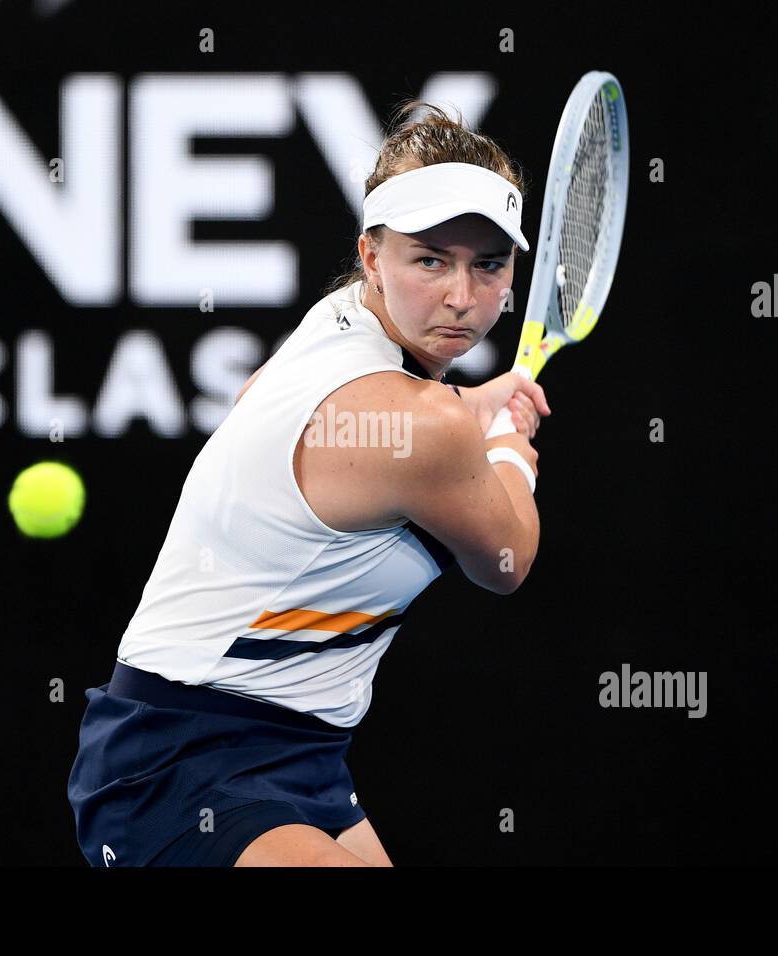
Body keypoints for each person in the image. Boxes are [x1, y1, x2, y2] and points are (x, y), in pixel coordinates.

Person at [67, 100, 550, 867]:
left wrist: (464, 407)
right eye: (430, 260)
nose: (462, 297)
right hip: (181, 764)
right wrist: (508, 448)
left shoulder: (337, 321)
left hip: (302, 754)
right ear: (371, 257)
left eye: (488, 264)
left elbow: (274, 404)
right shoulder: (428, 428)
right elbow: (506, 561)